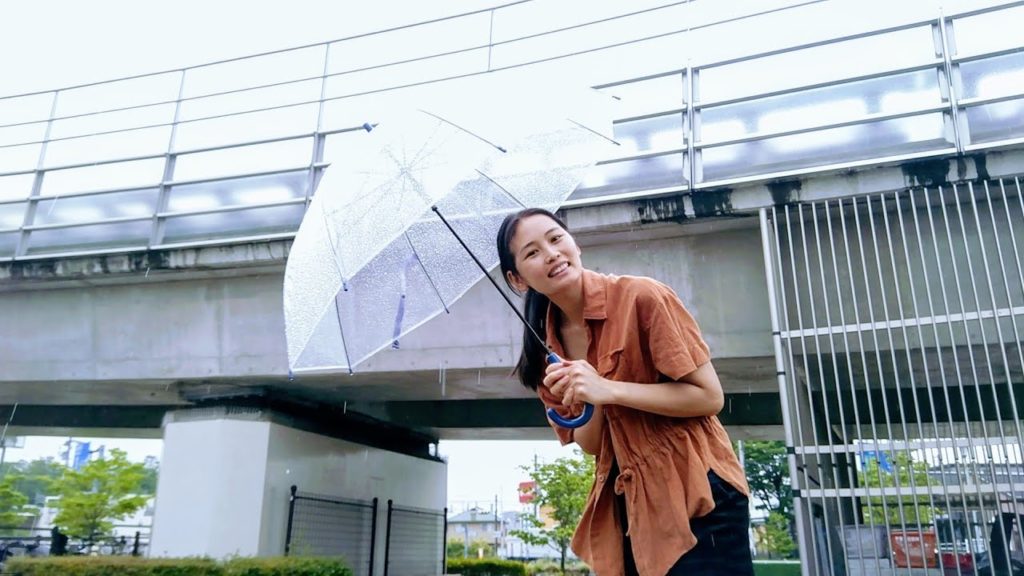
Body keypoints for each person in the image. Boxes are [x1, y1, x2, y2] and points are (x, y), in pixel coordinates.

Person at [496, 208, 754, 576]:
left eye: (556, 239)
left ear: (574, 243)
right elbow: (592, 445)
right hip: (629, 502)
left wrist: (608, 388)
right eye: (532, 252)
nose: (551, 254)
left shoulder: (642, 297)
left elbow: (708, 397)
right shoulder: (545, 352)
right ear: (517, 279)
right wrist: (589, 397)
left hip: (699, 492)